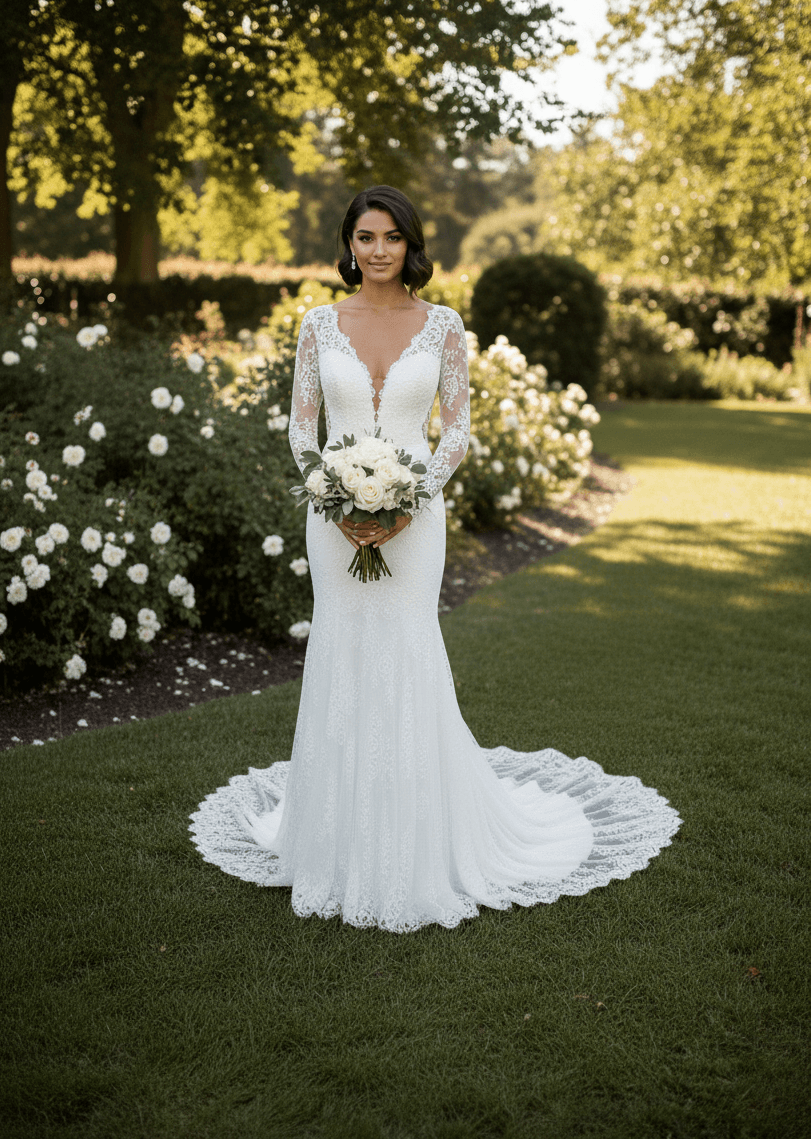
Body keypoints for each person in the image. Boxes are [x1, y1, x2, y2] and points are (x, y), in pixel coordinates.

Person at [190, 185, 680, 932]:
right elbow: (301, 429)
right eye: (364, 237)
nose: (377, 250)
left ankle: (419, 839)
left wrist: (407, 499)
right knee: (342, 652)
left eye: (390, 237)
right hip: (333, 519)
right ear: (348, 246)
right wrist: (337, 498)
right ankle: (335, 837)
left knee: (408, 650)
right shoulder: (318, 325)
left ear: (410, 244)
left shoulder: (443, 325)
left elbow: (456, 431)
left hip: (417, 517)